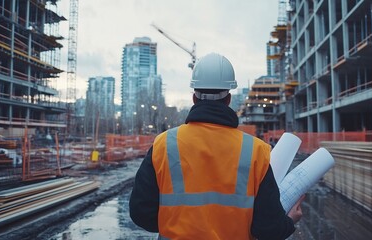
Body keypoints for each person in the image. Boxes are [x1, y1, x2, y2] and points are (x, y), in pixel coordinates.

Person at [129, 53, 304, 240]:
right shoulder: (256, 151)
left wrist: (175, 220)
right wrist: (289, 222)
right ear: (228, 99)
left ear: (194, 98)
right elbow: (268, 229)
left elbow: (141, 213)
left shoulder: (163, 145)